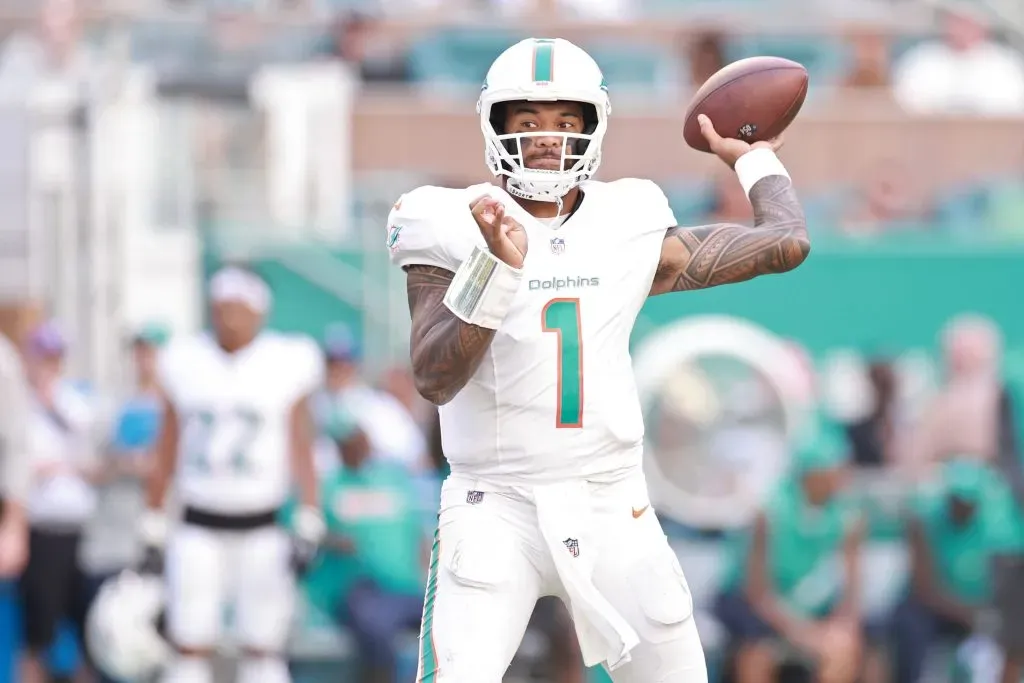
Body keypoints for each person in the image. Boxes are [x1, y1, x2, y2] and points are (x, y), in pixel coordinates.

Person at [386, 37, 809, 683]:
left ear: (594, 127)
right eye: (527, 122)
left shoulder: (628, 219)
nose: (547, 139)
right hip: (493, 502)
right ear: (494, 126)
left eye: (564, 122)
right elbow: (434, 376)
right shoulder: (447, 219)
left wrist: (753, 158)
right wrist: (493, 269)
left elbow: (785, 241)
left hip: (611, 501)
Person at [138, 266, 326, 683]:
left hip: (262, 523)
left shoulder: (285, 361)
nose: (228, 318)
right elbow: (166, 446)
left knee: (263, 647)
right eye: (220, 308)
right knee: (188, 643)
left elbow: (301, 444)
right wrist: (152, 519)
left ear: (259, 311)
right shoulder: (185, 360)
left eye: (237, 308)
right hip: (197, 522)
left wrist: (310, 513)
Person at [714, 416, 880, 683]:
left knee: (845, 649)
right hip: (758, 608)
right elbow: (758, 593)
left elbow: (852, 589)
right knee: (756, 651)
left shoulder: (849, 516)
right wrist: (803, 633)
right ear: (812, 474)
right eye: (835, 470)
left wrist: (841, 627)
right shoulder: (770, 513)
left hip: (811, 611)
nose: (841, 477)